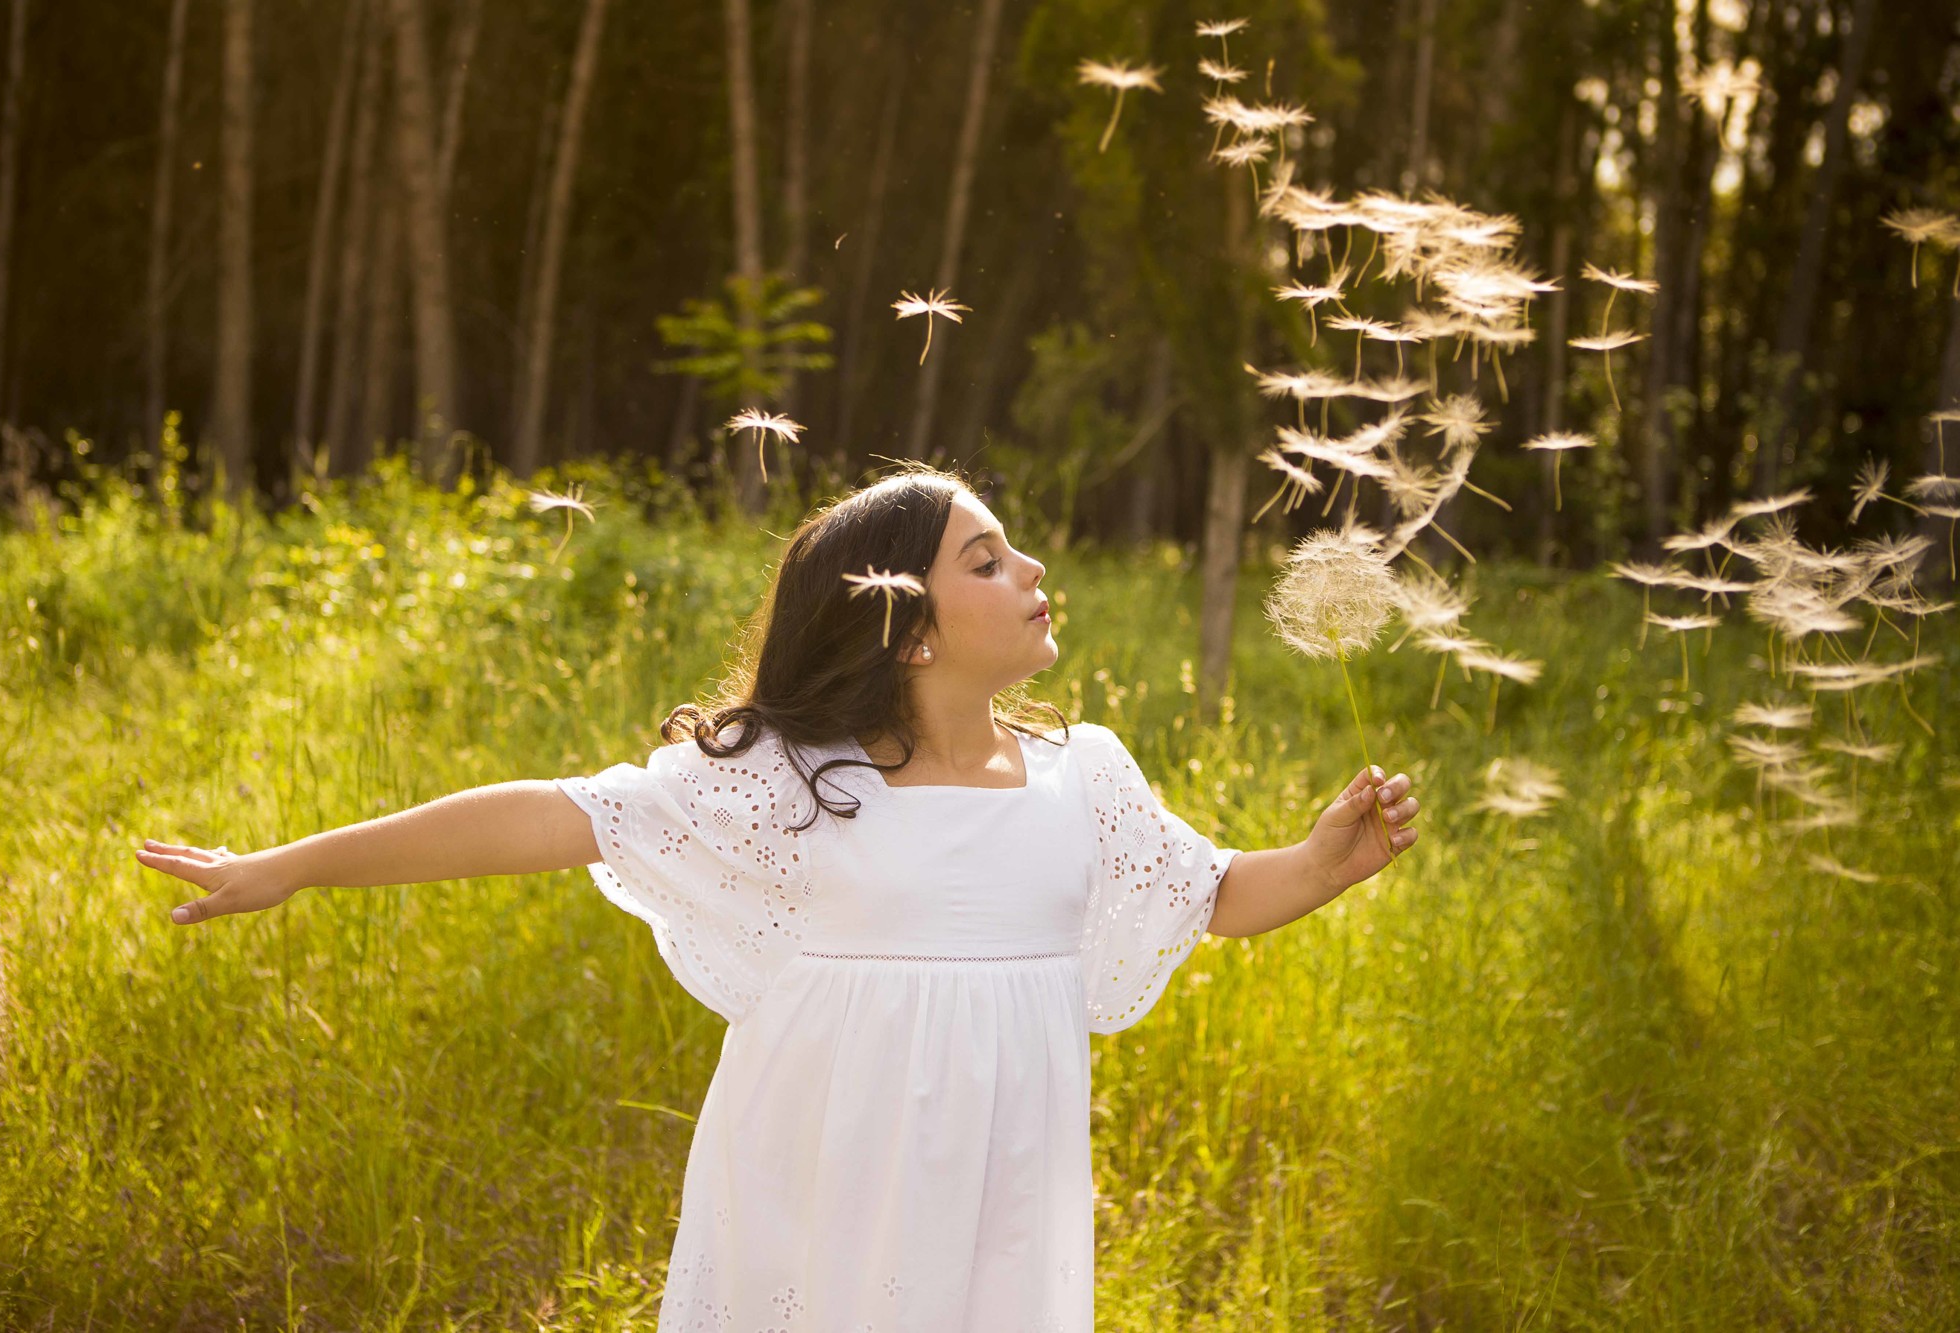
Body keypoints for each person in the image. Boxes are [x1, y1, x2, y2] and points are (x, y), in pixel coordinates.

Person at [135, 464, 1422, 1332]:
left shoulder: (1082, 781)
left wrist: (1315, 866)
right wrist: (293, 863)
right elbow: (551, 813)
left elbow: (1202, 893)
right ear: (909, 630)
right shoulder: (794, 785)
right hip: (822, 1201)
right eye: (986, 557)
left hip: (1002, 1215)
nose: (1031, 566)